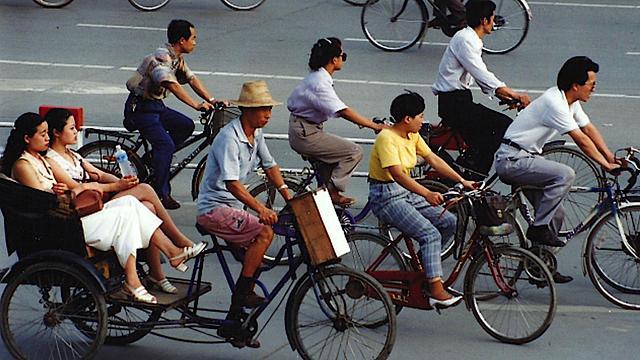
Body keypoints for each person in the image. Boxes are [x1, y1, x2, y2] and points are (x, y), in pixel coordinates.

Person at [2, 113, 206, 304]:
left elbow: (89, 178)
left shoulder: (42, 159)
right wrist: (67, 192)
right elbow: (42, 200)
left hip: (73, 215)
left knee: (132, 205)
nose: (46, 138)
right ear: (27, 138)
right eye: (42, 134)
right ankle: (148, 268)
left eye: (47, 133)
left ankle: (163, 258)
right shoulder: (24, 164)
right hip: (61, 224)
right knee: (129, 211)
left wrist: (115, 183)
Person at [494, 56, 619, 283]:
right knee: (565, 174)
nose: (594, 89)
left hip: (526, 158)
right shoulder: (555, 103)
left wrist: (610, 156)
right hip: (513, 160)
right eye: (592, 84)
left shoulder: (570, 102)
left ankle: (540, 266)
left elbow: (588, 129)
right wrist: (606, 166)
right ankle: (538, 229)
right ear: (575, 85)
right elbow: (580, 140)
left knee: (557, 212)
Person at [196, 80, 292, 340]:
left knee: (256, 259)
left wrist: (286, 193)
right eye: (263, 109)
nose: (268, 114)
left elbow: (270, 165)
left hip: (234, 208)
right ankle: (240, 297)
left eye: (269, 109)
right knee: (264, 233)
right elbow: (233, 184)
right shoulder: (229, 138)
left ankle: (235, 318)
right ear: (248, 111)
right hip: (214, 209)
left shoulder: (255, 134)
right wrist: (261, 208)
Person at [368, 91, 476, 308]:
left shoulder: (412, 135)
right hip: (386, 197)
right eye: (420, 116)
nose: (423, 120)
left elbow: (433, 159)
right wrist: (426, 193)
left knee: (449, 222)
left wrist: (462, 180)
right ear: (407, 119)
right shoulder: (386, 138)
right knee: (430, 234)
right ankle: (435, 289)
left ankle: (424, 269)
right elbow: (397, 175)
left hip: (404, 193)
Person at [124, 19, 222, 210]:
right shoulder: (162, 59)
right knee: (166, 145)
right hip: (141, 109)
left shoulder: (177, 58)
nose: (195, 42)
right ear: (182, 41)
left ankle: (156, 159)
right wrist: (195, 105)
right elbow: (171, 85)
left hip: (155, 106)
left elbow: (192, 79)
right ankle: (161, 193)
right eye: (193, 38)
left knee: (186, 126)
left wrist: (211, 99)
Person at [432, 0, 531, 178]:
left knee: (485, 135)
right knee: (502, 126)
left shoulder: (470, 39)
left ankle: (473, 174)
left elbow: (481, 77)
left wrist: (506, 96)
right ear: (485, 20)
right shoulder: (466, 40)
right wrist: (513, 94)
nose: (494, 23)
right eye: (492, 19)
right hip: (455, 103)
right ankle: (473, 175)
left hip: (459, 100)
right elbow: (482, 75)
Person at [287, 37, 388, 206]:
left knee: (331, 167)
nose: (343, 59)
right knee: (353, 151)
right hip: (306, 134)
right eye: (343, 56)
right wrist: (374, 126)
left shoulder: (319, 77)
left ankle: (325, 200)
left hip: (307, 129)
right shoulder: (319, 83)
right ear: (334, 60)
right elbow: (343, 111)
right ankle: (333, 193)